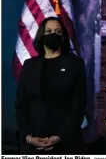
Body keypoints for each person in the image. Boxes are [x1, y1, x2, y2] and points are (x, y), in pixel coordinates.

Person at [15, 16, 87, 154]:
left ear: (63, 37)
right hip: (32, 143)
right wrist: (28, 137)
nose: (53, 34)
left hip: (66, 142)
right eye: (48, 31)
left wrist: (60, 136)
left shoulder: (75, 64)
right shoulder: (30, 66)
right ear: (42, 35)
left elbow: (78, 104)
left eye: (57, 31)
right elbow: (21, 104)